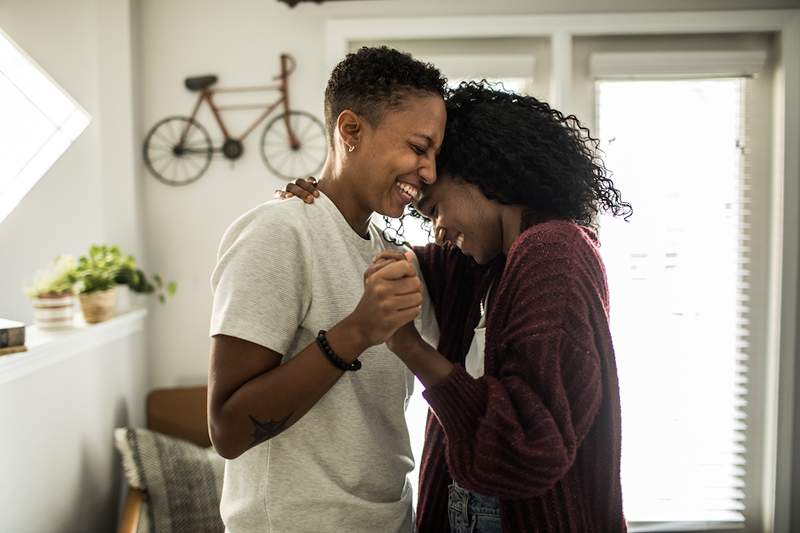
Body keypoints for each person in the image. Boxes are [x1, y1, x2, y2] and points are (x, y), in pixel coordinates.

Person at [280, 81, 631, 532]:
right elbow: (379, 259)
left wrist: (408, 346)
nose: (438, 231)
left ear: (480, 174)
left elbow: (528, 445)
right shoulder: (481, 267)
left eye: (435, 209)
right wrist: (323, 204)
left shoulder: (554, 252)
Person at [207, 46, 446, 533]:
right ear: (351, 130)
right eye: (419, 148)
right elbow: (228, 431)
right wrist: (356, 331)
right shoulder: (278, 232)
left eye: (436, 155)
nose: (430, 172)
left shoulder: (391, 253)